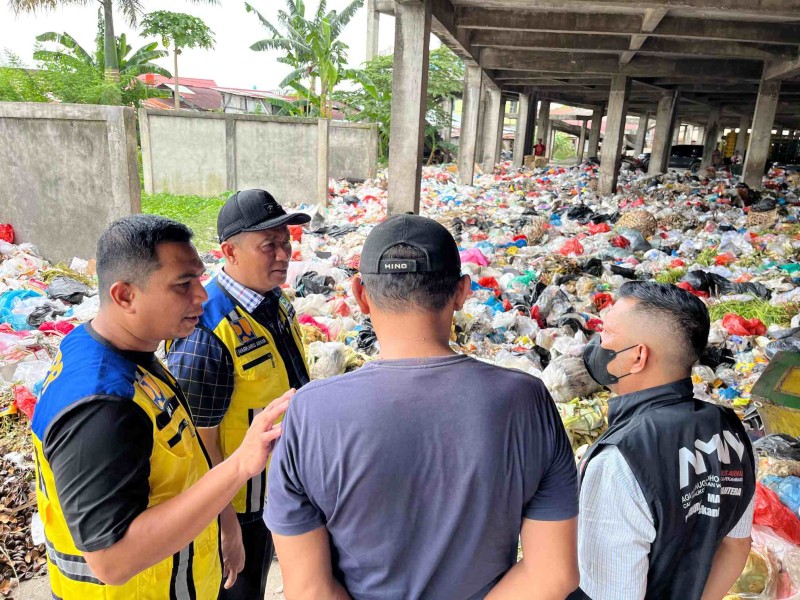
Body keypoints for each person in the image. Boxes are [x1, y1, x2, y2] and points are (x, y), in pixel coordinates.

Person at [266, 214, 580, 599]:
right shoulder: (527, 401)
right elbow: (553, 574)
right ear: (462, 292)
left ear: (359, 294)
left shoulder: (310, 413)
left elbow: (308, 589)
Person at [31, 215, 290, 599]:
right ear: (125, 296)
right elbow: (112, 561)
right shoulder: (101, 406)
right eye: (183, 284)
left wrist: (224, 519)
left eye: (198, 278)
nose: (201, 296)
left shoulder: (127, 353)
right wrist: (239, 466)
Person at [166, 189, 311, 600]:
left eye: (285, 242)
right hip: (240, 506)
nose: (283, 255)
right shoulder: (206, 332)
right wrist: (225, 523)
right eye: (269, 246)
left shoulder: (272, 299)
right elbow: (198, 444)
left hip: (279, 488)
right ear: (229, 251)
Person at [570, 282, 756, 600]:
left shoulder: (619, 461)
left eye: (607, 334)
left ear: (638, 356)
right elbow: (736, 545)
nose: (597, 343)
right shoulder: (730, 428)